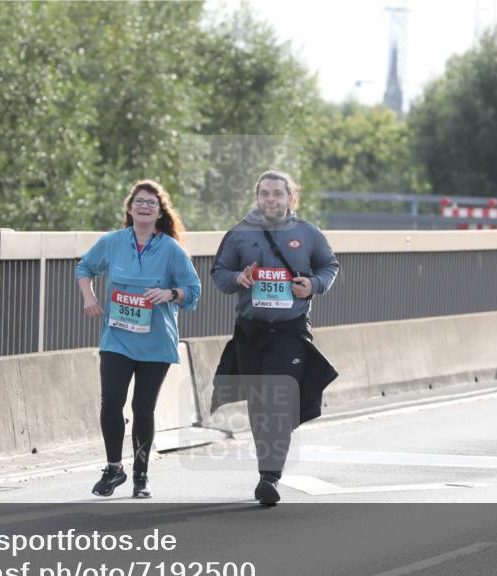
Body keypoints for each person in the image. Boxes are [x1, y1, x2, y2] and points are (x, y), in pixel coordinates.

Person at [210, 170, 340, 505]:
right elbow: (219, 274)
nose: (271, 199)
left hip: (290, 331)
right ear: (257, 198)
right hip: (251, 332)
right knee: (260, 406)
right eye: (265, 194)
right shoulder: (239, 234)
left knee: (279, 398)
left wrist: (313, 285)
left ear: (290, 198)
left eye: (278, 194)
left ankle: (270, 477)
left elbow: (329, 266)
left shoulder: (308, 234)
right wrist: (238, 277)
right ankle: (269, 461)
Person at [77, 180, 201, 497]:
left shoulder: (171, 249)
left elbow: (193, 292)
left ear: (160, 212)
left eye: (151, 203)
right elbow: (85, 267)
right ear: (129, 208)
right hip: (117, 338)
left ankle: (141, 475)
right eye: (139, 201)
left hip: (156, 343)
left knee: (143, 408)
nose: (144, 206)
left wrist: (169, 293)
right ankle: (114, 468)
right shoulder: (113, 242)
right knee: (112, 402)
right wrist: (89, 298)